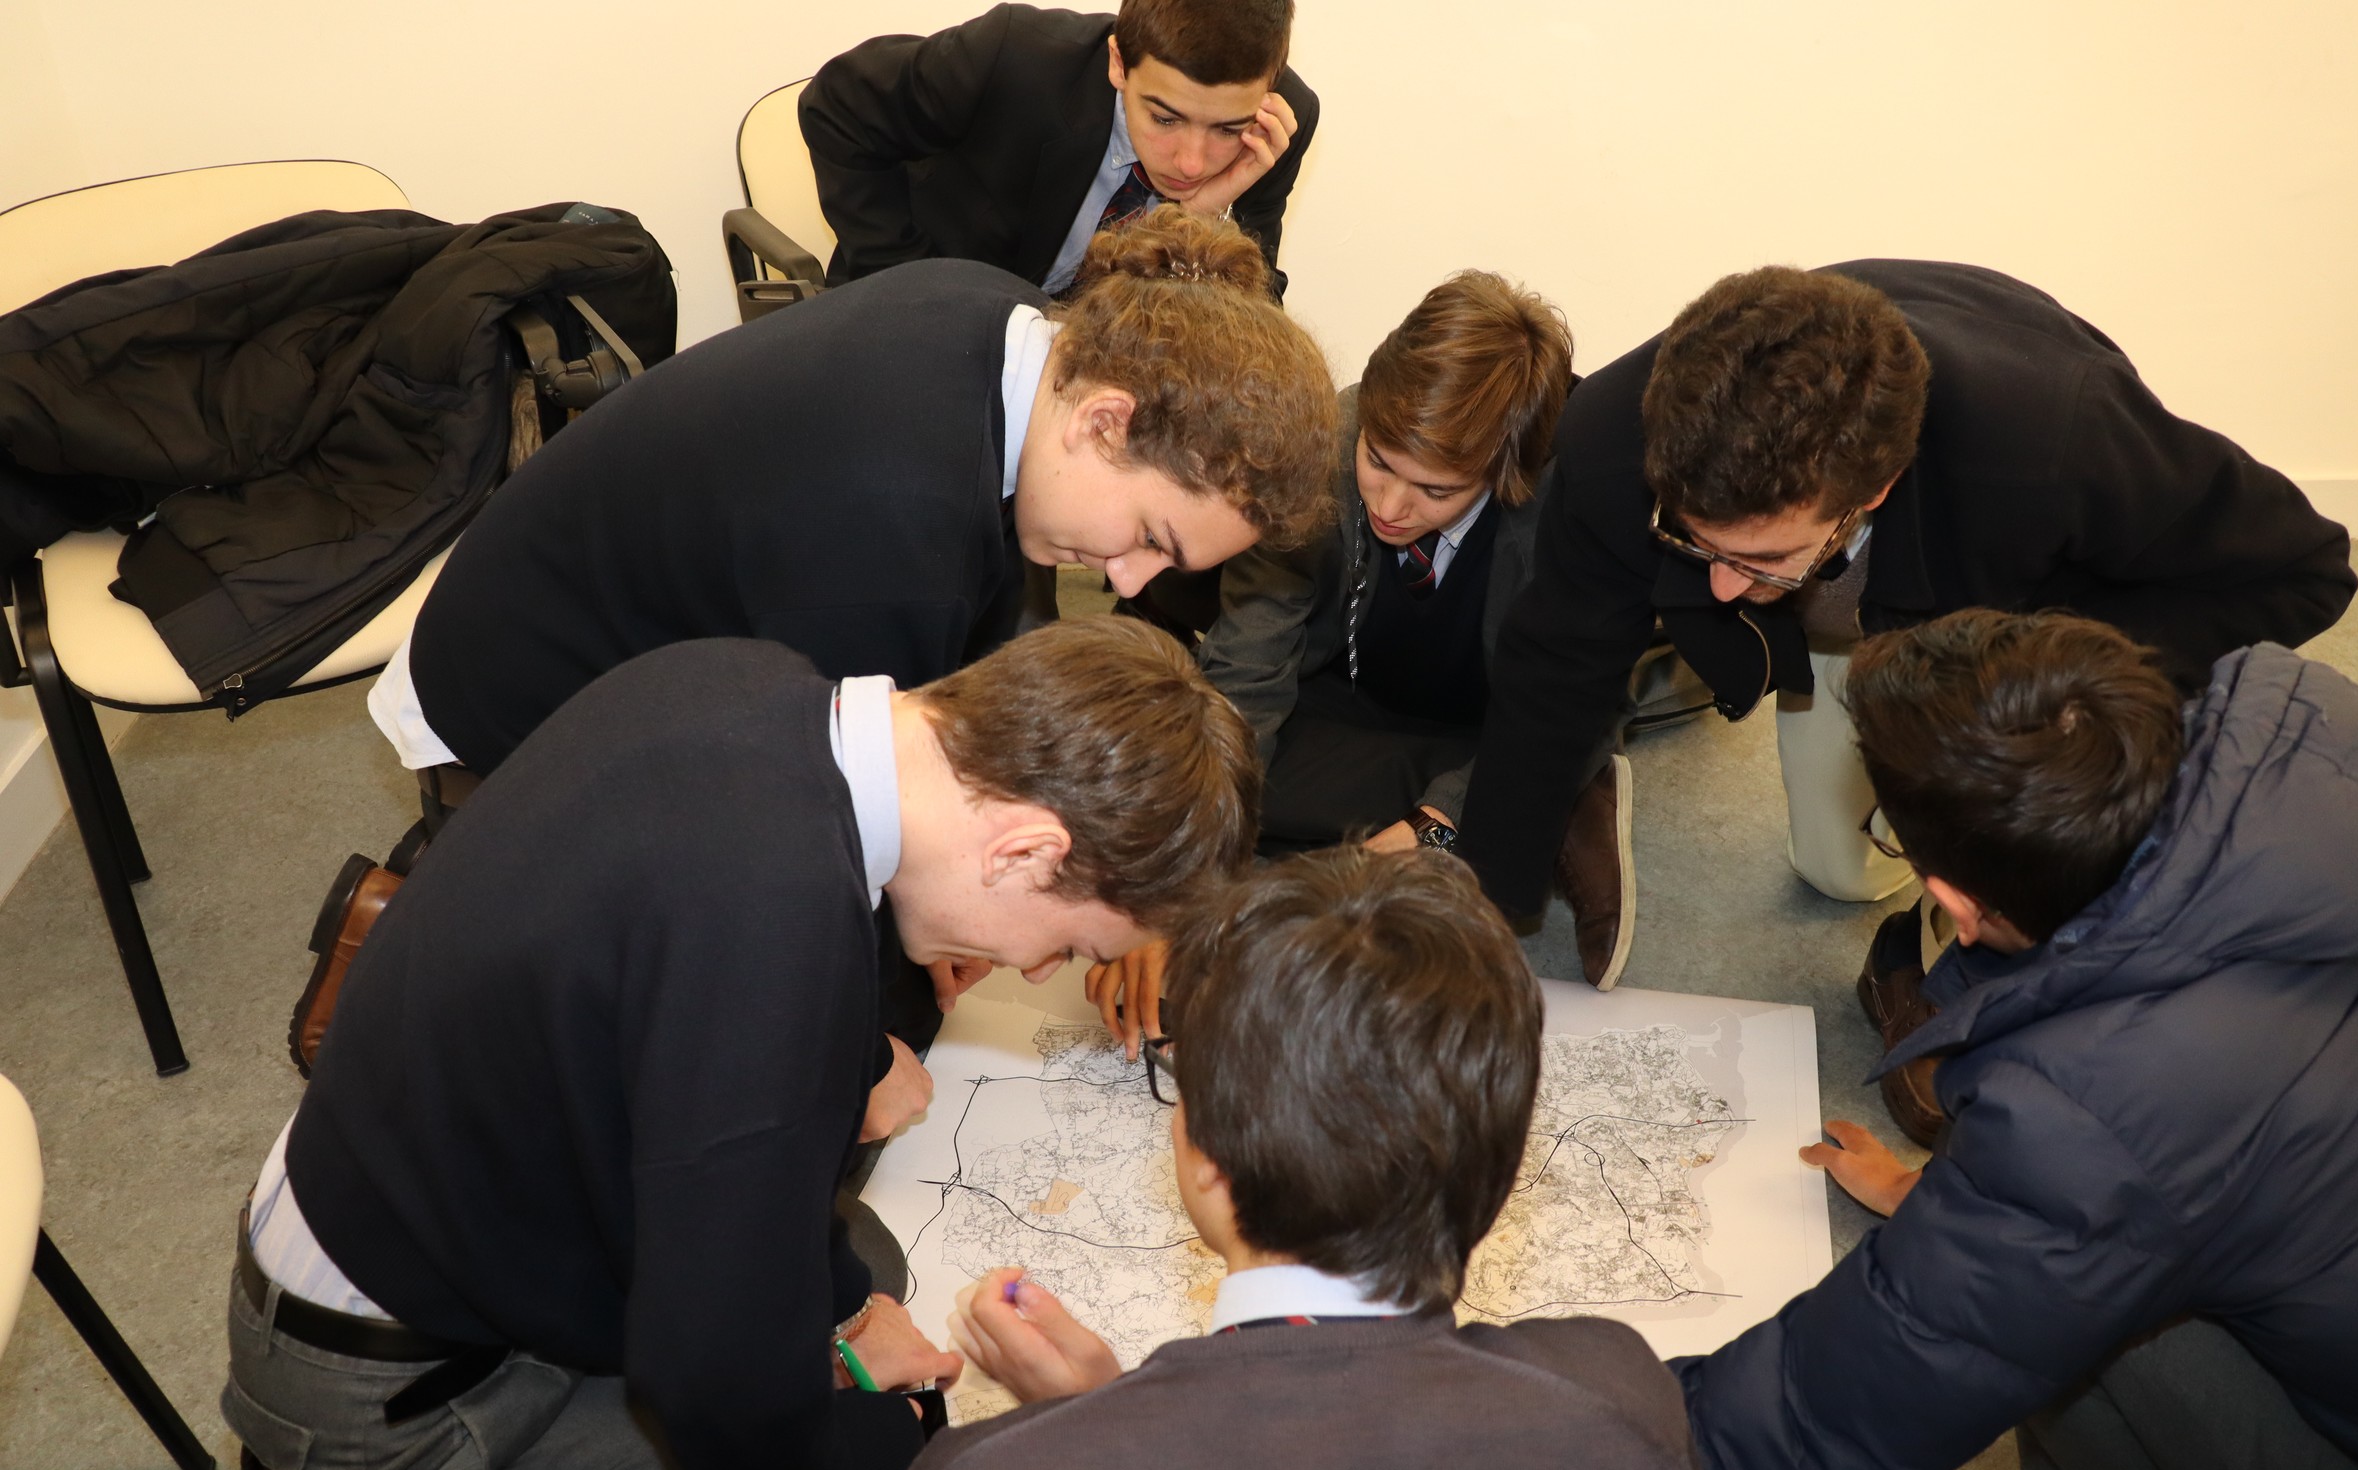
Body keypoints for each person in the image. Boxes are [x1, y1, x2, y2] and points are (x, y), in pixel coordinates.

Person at [219, 617, 1262, 1470]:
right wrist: (892, 1446)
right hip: (397, 1389)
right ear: (1024, 851)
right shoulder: (773, 942)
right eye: (1070, 943)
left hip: (408, 1212)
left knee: (866, 1270)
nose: (1037, 968)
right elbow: (716, 1391)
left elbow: (723, 1157)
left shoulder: (751, 683)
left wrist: (841, 1319)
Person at [291, 209, 1333, 1072]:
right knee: (762, 1054)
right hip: (523, 698)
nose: (1129, 582)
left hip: (603, 613)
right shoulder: (887, 521)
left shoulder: (1003, 321)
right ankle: (427, 929)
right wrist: (866, 1048)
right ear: (1105, 421)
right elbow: (801, 831)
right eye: (1150, 536)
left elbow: (965, 654)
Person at [1458, 260, 2355, 1118]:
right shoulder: (1615, 433)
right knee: (1839, 871)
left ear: (1875, 489)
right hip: (1834, 613)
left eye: (1760, 555)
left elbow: (2303, 572)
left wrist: (2048, 686)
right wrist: (1476, 920)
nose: (1719, 586)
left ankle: (1933, 959)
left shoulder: (2055, 444)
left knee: (2026, 826)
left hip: (1992, 611)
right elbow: (1554, 665)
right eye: (1691, 540)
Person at [1673, 610, 2358, 1470]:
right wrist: (1956, 1200)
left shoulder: (2095, 1113)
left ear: (1957, 905)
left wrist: (1523, 1450)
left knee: (2092, 1339)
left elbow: (1827, 1414)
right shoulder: (2322, 742)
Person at [867, 848, 1710, 1470]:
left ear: (1206, 1156)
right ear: (1503, 1161)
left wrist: (1093, 1433)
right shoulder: (1629, 1420)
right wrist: (1105, 1420)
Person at [1084, 269, 1577, 1048]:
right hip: (1337, 703)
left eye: (1435, 490)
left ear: (1504, 473)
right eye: (1378, 460)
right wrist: (1174, 888)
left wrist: (1432, 828)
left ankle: (1561, 814)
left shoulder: (1566, 512)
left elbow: (1560, 705)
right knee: (1186, 765)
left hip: (1490, 722)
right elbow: (1250, 672)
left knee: (1501, 820)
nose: (1389, 506)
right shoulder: (1314, 453)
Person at [800, 0, 1318, 299]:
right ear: (1118, 64)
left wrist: (1202, 222)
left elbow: (1249, 321)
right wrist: (906, 284)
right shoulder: (1016, 59)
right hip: (937, 323)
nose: (1191, 161)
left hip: (1096, 376)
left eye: (1226, 129)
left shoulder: (1273, 129)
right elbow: (837, 107)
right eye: (1164, 118)